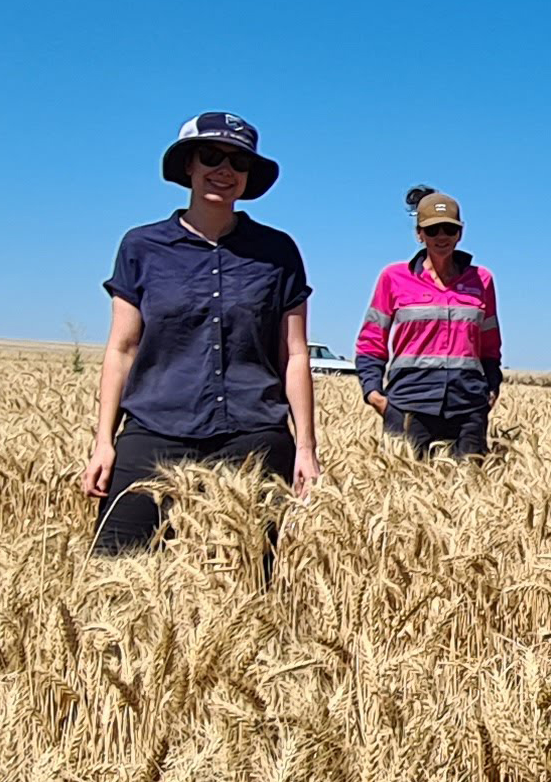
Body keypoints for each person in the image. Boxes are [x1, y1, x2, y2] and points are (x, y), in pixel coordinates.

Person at [79, 112, 319, 553]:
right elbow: (122, 348)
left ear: (249, 177)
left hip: (253, 433)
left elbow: (295, 355)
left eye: (238, 162)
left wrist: (305, 448)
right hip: (154, 429)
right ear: (188, 164)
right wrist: (103, 443)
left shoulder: (278, 252)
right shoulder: (141, 247)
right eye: (211, 156)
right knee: (114, 568)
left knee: (247, 578)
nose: (224, 170)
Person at [355, 187, 504, 458]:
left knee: (470, 494)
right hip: (408, 405)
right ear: (419, 233)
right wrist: (374, 395)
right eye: (432, 230)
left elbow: (490, 346)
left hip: (467, 407)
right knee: (401, 494)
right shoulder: (393, 277)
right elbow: (370, 342)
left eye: (448, 228)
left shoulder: (482, 281)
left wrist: (491, 389)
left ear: (460, 232)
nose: (441, 237)